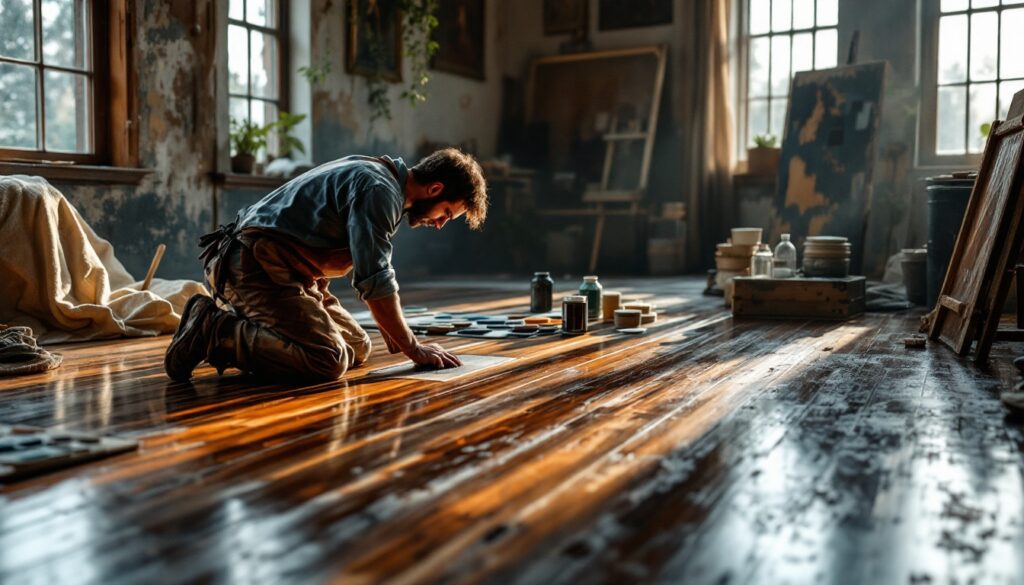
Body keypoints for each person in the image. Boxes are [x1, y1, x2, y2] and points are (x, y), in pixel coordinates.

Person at [164, 148, 488, 382]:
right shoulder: (380, 191)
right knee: (328, 359)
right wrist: (413, 347)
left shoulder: (378, 174)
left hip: (291, 275)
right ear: (435, 189)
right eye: (446, 213)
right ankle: (214, 330)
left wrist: (398, 332)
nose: (441, 223)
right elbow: (375, 277)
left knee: (357, 347)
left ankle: (255, 326)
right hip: (250, 268)